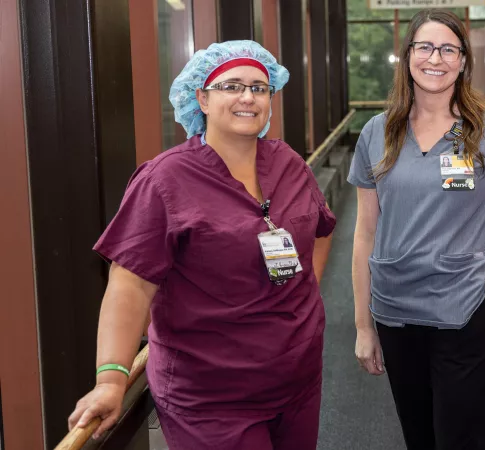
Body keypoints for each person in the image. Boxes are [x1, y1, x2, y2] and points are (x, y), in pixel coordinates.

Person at [67, 41, 336, 450]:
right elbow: (130, 285)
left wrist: (302, 305)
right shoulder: (165, 180)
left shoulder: (289, 164)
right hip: (213, 397)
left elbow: (320, 229)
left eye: (259, 88)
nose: (248, 97)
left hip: (297, 381)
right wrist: (111, 378)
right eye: (232, 86)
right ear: (202, 99)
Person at [349, 9, 485, 450]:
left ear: (463, 60)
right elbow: (364, 234)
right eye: (425, 47)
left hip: (465, 311)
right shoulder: (377, 133)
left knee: (461, 439)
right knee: (418, 437)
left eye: (449, 49)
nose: (436, 58)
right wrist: (363, 325)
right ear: (408, 55)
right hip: (395, 312)